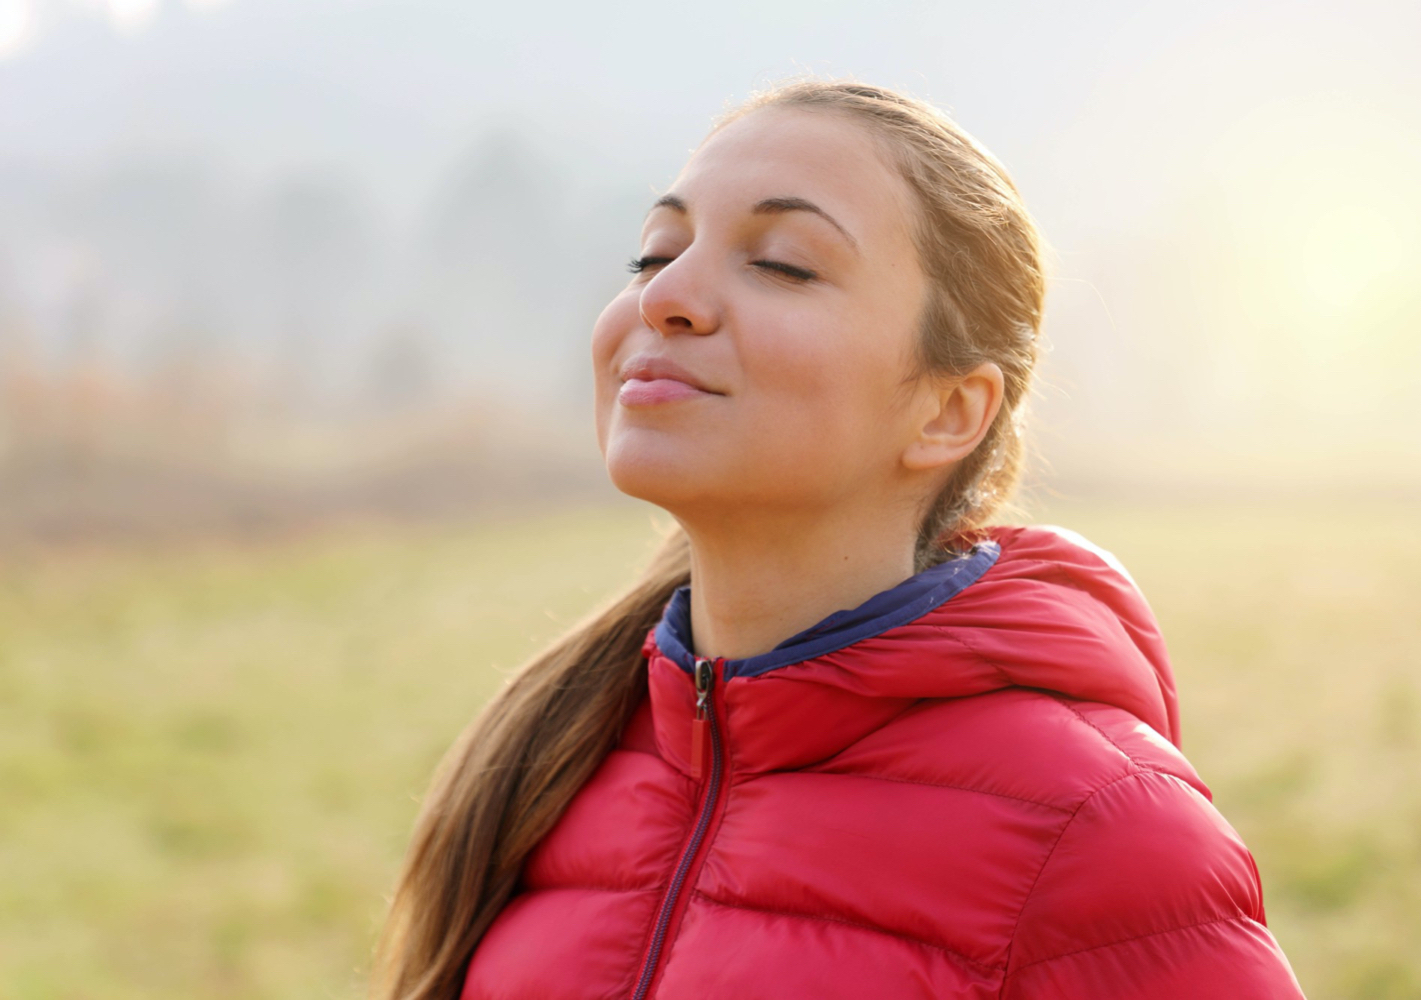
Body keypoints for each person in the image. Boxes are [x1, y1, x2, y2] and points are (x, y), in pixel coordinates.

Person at [371, 79, 1306, 1000]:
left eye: (781, 263)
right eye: (654, 255)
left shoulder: (1105, 834)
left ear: (947, 412)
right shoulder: (551, 763)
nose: (668, 298)